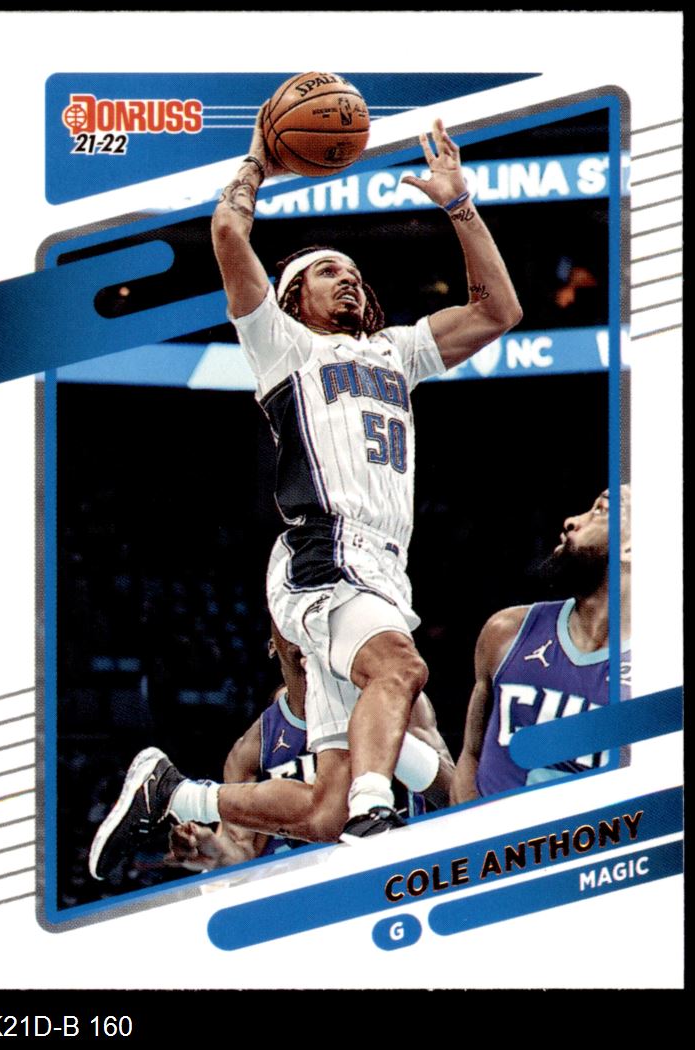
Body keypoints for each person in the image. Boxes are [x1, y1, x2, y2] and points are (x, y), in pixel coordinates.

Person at [209, 107, 521, 837]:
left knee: (328, 804)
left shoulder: (396, 352)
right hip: (327, 547)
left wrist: (459, 204)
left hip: (382, 560)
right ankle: (375, 812)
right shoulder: (283, 345)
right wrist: (259, 160)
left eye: (354, 273)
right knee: (402, 670)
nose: (347, 280)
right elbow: (227, 232)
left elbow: (498, 310)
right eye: (328, 272)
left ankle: (176, 794)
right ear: (293, 297)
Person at [89, 623, 454, 880]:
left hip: (406, 872)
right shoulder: (253, 749)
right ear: (272, 645)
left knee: (333, 815)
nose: (306, 632)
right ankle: (181, 796)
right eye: (292, 624)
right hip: (312, 894)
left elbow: (457, 797)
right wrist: (211, 851)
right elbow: (240, 854)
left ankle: (180, 795)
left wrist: (391, 743)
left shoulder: (399, 699)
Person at [453, 486, 632, 802]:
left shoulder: (664, 676)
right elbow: (470, 756)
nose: (572, 521)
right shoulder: (507, 631)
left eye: (601, 510)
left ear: (631, 548)